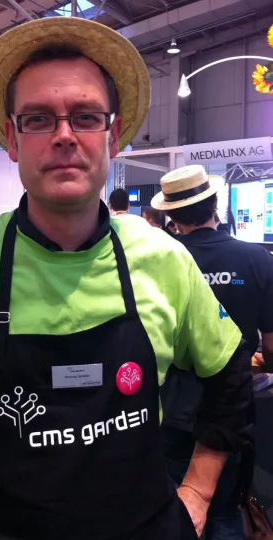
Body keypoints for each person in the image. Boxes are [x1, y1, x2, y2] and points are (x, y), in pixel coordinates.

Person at [0, 17, 253, 540]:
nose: (65, 136)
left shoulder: (164, 258)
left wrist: (198, 492)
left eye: (86, 116)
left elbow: (230, 370)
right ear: (11, 138)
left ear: (113, 136)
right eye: (38, 119)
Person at [151, 164, 273, 540]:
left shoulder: (162, 260)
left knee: (173, 505)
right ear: (214, 204)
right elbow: (271, 346)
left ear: (170, 215)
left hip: (173, 403)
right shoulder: (256, 260)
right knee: (223, 511)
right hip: (234, 401)